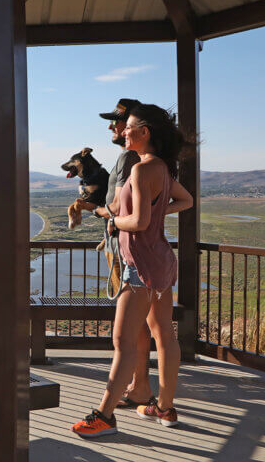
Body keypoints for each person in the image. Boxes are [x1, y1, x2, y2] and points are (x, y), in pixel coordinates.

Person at [72, 103, 194, 438]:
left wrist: (110, 218)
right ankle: (165, 408)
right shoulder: (163, 168)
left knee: (123, 342)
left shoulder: (141, 170)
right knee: (164, 336)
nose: (123, 131)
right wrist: (157, 214)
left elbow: (138, 222)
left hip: (140, 266)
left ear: (145, 132)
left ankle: (104, 416)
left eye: (129, 127)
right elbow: (186, 201)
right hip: (161, 262)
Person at [77, 99, 152, 409]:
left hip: (122, 245)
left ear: (132, 126)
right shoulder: (144, 159)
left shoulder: (126, 160)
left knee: (129, 327)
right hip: (134, 245)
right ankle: (140, 385)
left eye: (116, 122)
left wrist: (97, 210)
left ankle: (133, 389)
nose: (111, 127)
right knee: (142, 322)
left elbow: (121, 207)